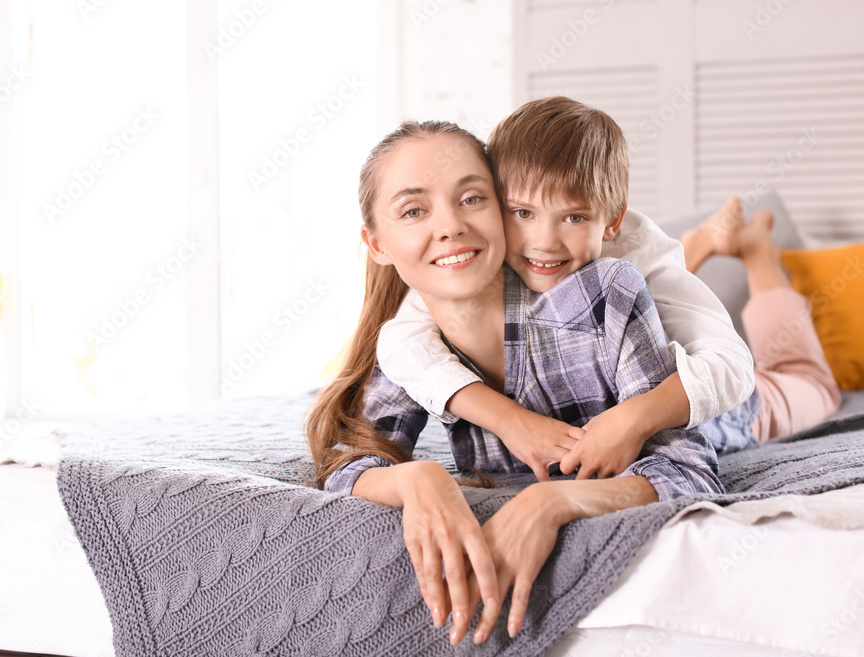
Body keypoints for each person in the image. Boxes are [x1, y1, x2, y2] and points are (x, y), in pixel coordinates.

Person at [305, 117, 727, 646]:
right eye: (414, 211)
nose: (450, 226)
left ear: (502, 208)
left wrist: (553, 502)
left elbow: (689, 469)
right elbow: (350, 460)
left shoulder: (604, 292)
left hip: (719, 400)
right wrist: (418, 480)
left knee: (795, 381)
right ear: (377, 244)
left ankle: (735, 253)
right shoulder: (410, 347)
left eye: (472, 198)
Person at [376, 97, 760, 483]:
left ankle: (753, 252)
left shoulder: (633, 258)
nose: (543, 242)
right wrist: (509, 421)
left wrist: (631, 419)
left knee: (802, 379)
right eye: (522, 213)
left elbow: (733, 367)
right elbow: (401, 341)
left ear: (610, 223)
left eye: (573, 217)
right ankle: (701, 241)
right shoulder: (479, 261)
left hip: (735, 406)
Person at [680, 196, 841, 440]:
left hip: (715, 388)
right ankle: (751, 249)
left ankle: (740, 249)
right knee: (812, 381)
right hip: (721, 394)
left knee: (804, 377)